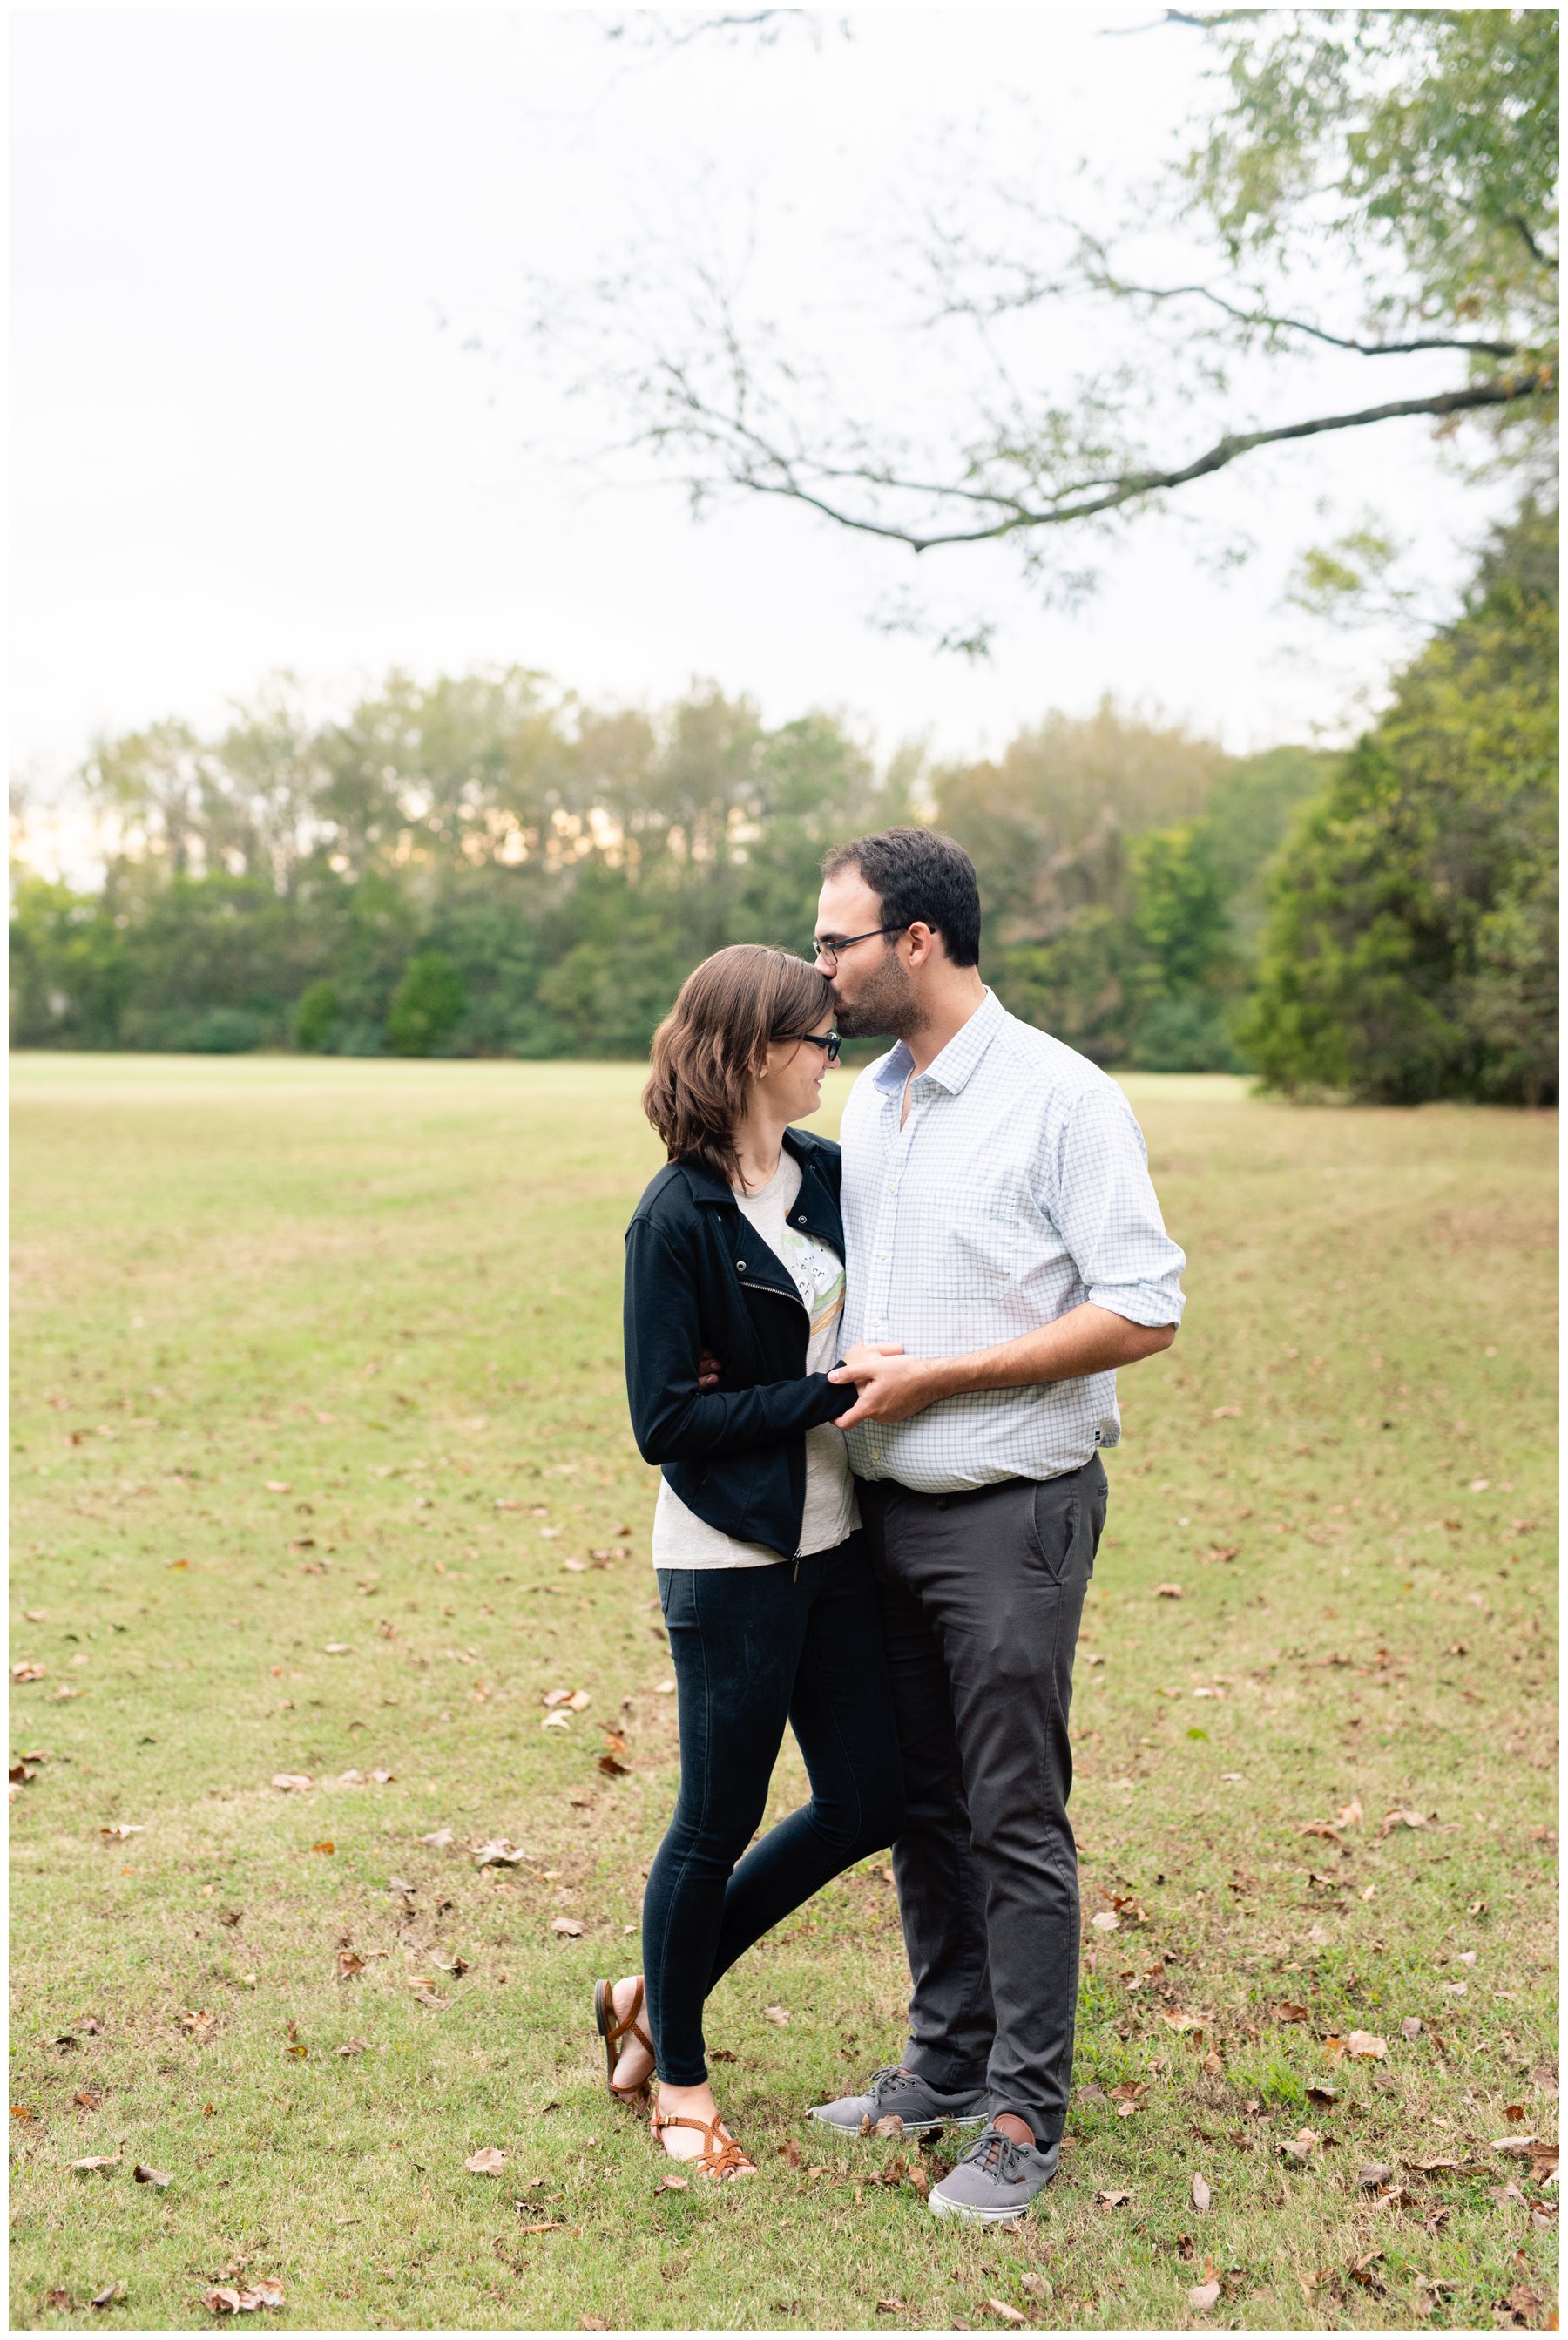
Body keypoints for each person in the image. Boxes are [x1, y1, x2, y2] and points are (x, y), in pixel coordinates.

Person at [807, 828, 1186, 2226]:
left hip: (1013, 1512)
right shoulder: (874, 1103)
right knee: (920, 1804)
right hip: (882, 1512)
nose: (820, 967)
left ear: (915, 942)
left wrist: (945, 1376)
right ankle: (943, 2064)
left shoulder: (1060, 1099)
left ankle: (1026, 2110)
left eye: (836, 940)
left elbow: (1144, 1307)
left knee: (1011, 1809)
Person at [595, 943, 904, 2182]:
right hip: (730, 1559)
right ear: (752, 1049)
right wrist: (809, 1395)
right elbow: (664, 1422)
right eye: (817, 1037)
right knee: (715, 1818)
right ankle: (680, 2075)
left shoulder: (823, 1175)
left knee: (867, 1795)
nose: (834, 1054)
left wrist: (785, 1391)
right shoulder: (674, 1217)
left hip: (838, 1542)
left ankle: (648, 1988)